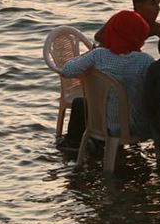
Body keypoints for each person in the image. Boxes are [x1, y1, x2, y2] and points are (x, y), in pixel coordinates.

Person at [63, 10, 154, 138]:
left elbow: (67, 70)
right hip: (139, 127)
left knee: (80, 103)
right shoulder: (146, 60)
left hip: (108, 127)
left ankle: (74, 146)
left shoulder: (99, 55)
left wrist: (87, 56)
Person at [94, 0, 160, 46]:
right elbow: (98, 36)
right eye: (153, 4)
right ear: (139, 6)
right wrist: (125, 44)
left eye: (158, 4)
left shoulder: (156, 28)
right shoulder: (122, 19)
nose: (157, 8)